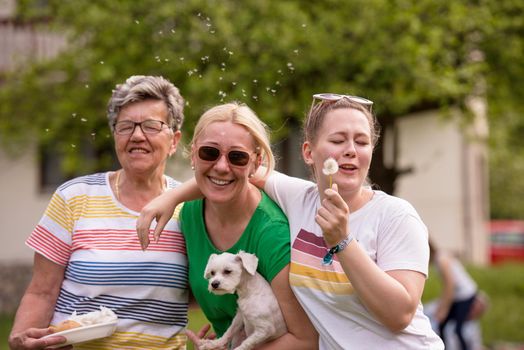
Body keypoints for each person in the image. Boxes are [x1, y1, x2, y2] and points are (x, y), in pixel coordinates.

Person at [138, 93, 445, 349]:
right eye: (338, 140)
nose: (351, 150)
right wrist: (171, 197)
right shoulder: (298, 198)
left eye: (361, 142)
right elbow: (228, 171)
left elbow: (400, 314)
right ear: (309, 152)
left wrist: (342, 242)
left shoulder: (396, 216)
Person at [8, 75, 189, 349]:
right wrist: (23, 338)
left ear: (174, 141)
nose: (137, 136)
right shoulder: (74, 197)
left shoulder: (190, 207)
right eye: (126, 126)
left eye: (152, 126)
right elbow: (42, 291)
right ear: (115, 136)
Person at [138, 102, 318, 349]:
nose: (222, 167)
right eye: (209, 153)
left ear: (256, 163)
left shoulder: (271, 233)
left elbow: (306, 340)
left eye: (237, 157)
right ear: (193, 155)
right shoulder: (190, 214)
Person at [429, 239, 479, 350]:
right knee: (442, 325)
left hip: (466, 295)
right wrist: (441, 306)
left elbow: (450, 286)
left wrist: (444, 309)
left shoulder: (441, 259)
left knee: (458, 329)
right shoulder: (441, 256)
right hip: (458, 296)